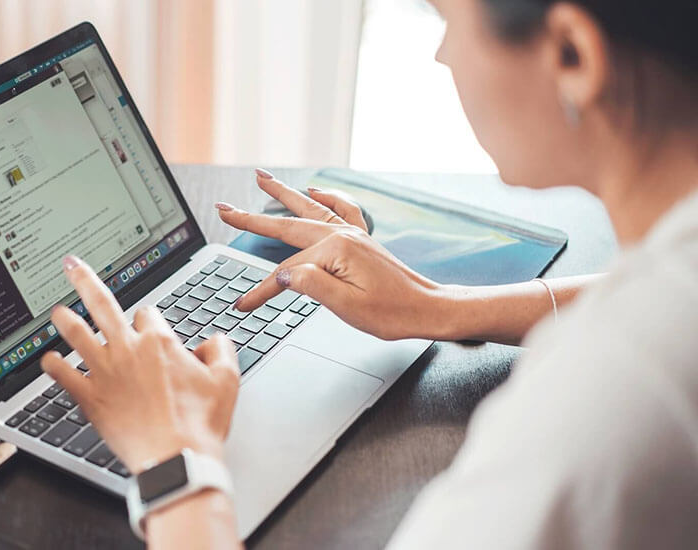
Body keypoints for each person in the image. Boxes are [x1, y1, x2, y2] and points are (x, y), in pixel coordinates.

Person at [41, 0, 698, 547]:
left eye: (450, 19)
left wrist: (172, 460)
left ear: (573, 56)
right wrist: (442, 305)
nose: (443, 55)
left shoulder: (603, 402)